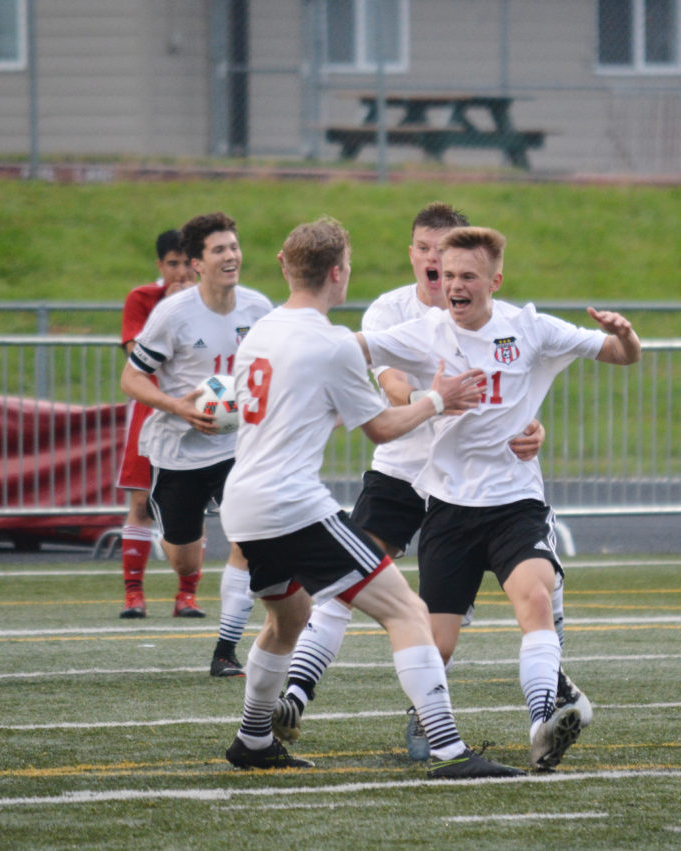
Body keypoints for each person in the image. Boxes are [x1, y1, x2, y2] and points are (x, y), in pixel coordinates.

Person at [272, 203, 590, 757]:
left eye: (447, 254)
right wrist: (438, 400)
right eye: (425, 249)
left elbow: (515, 382)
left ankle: (550, 698)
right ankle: (296, 693)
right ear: (414, 253)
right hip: (403, 472)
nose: (436, 263)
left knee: (538, 591)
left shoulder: (498, 316)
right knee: (348, 579)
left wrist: (530, 428)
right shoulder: (390, 311)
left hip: (480, 483)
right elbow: (391, 385)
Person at [220, 216, 522, 778]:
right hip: (292, 506)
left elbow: (291, 405)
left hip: (243, 504)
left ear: (287, 266)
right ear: (338, 274)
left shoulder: (261, 330)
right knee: (406, 610)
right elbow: (382, 427)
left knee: (290, 619)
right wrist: (438, 398)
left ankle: (253, 739)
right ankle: (452, 751)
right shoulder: (332, 343)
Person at [359, 225, 641, 770]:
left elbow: (620, 354)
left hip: (515, 505)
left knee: (535, 600)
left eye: (468, 277)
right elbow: (357, 349)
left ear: (495, 281)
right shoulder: (425, 332)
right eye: (448, 277)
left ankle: (543, 723)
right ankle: (432, 722)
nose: (454, 287)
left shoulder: (529, 327)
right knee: (435, 645)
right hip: (447, 509)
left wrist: (625, 333)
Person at [120, 212, 271, 677]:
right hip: (179, 450)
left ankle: (225, 650)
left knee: (249, 540)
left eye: (234, 247)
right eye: (219, 250)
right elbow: (131, 377)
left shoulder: (258, 309)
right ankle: (188, 567)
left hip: (238, 449)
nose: (231, 256)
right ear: (197, 263)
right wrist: (178, 406)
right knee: (184, 553)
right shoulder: (173, 314)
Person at [116, 229, 195, 618]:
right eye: (172, 263)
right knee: (141, 502)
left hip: (199, 414)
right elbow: (138, 357)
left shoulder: (215, 303)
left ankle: (187, 595)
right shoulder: (143, 299)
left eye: (187, 263)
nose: (180, 271)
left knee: (191, 506)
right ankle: (134, 594)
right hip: (151, 411)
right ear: (160, 266)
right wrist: (169, 307)